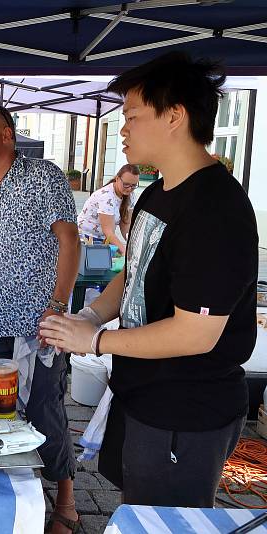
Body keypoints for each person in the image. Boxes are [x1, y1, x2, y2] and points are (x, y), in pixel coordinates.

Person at [40, 52, 258, 509]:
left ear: (175, 116)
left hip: (186, 409)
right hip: (143, 393)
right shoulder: (156, 193)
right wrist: (89, 315)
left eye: (133, 117)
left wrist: (97, 341)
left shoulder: (215, 209)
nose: (122, 130)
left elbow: (196, 332)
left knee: (162, 519)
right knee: (136, 505)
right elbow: (134, 271)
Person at [0, 104, 80, 534]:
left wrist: (58, 306)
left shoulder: (44, 177)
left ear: (7, 135)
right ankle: (16, 487)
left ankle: (67, 500)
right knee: (0, 407)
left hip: (41, 324)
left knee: (45, 409)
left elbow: (70, 241)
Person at [77, 164, 140, 254]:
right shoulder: (106, 197)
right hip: (85, 237)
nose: (130, 188)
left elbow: (126, 224)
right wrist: (124, 251)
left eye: (134, 185)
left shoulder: (131, 196)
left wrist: (133, 245)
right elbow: (108, 231)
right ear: (117, 179)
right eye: (126, 184)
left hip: (103, 238)